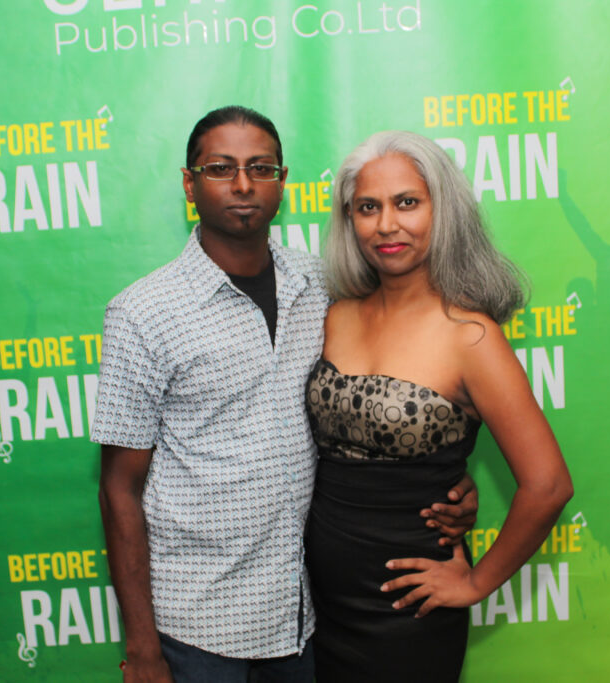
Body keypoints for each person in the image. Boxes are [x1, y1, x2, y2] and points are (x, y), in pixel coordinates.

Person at [91, 108, 477, 683]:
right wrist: (143, 646)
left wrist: (442, 481)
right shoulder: (142, 314)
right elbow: (119, 489)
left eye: (260, 168)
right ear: (189, 183)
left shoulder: (324, 287)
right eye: (220, 168)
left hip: (305, 618)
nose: (243, 184)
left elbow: (388, 395)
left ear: (282, 181)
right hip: (197, 625)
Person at [305, 130, 573, 682]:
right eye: (368, 208)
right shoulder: (333, 316)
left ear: (441, 209)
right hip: (314, 600)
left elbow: (548, 486)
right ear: (349, 220)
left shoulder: (470, 335)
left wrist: (474, 583)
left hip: (407, 609)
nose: (386, 224)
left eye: (407, 203)